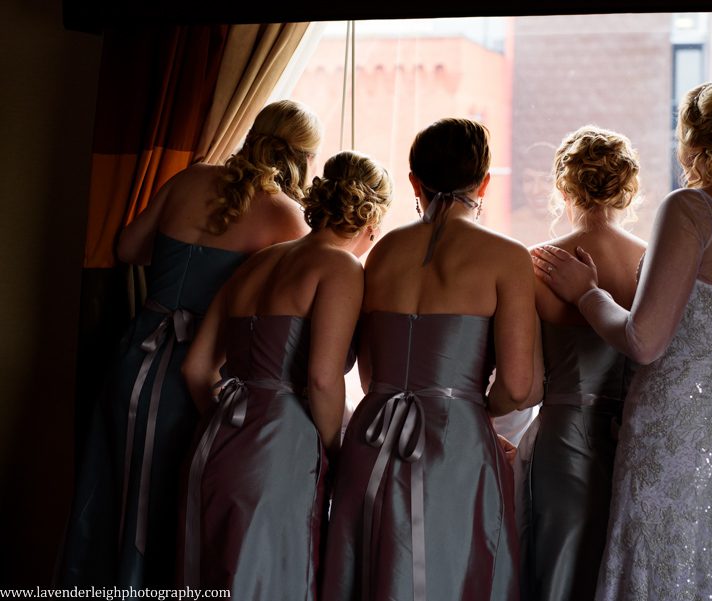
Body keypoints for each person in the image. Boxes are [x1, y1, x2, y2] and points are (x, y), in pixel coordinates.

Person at [532, 80, 712, 601]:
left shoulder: (691, 210)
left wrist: (587, 294)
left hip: (682, 433)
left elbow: (643, 342)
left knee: (662, 576)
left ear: (695, 142)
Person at [59, 100, 321, 587]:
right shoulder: (286, 217)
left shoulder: (189, 178)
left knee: (113, 488)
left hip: (134, 355)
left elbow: (127, 248)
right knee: (170, 501)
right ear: (304, 159)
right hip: (202, 373)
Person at [321, 118, 537, 601]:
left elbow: (370, 370)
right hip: (453, 441)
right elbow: (520, 386)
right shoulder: (506, 256)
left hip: (374, 433)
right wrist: (467, 407)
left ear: (415, 181)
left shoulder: (381, 254)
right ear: (483, 182)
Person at [178, 150, 392, 599]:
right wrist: (336, 451)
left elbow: (196, 367)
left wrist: (232, 421)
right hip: (280, 447)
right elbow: (322, 380)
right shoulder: (340, 267)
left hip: (215, 440)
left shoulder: (256, 263)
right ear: (372, 221)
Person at [515, 125, 645, 601]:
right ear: (627, 188)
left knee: (559, 561)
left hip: (562, 437)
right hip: (631, 437)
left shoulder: (537, 265)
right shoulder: (651, 264)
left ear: (563, 187)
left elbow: (525, 383)